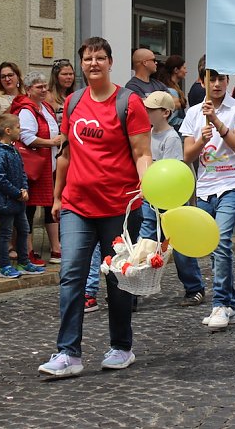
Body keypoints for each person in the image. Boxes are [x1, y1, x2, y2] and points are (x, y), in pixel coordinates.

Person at [39, 36, 152, 378]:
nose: (93, 64)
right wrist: (58, 197)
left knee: (118, 280)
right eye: (87, 58)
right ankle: (68, 353)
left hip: (120, 207)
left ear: (110, 62)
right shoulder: (73, 103)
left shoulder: (128, 102)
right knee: (71, 274)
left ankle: (121, 346)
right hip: (77, 205)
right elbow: (67, 155)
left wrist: (148, 185)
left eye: (100, 58)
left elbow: (142, 153)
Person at [182, 71, 235, 330]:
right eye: (211, 79)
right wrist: (202, 137)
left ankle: (219, 304)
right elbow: (188, 155)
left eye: (221, 79)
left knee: (222, 241)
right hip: (204, 188)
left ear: (228, 82)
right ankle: (232, 305)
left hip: (232, 184)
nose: (216, 84)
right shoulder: (192, 113)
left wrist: (218, 123)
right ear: (202, 81)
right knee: (213, 246)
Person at [138, 91, 206, 306]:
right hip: (151, 199)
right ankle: (132, 291)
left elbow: (171, 172)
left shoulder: (171, 138)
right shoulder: (147, 134)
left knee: (179, 246)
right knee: (145, 244)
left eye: (151, 109)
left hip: (171, 201)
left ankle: (194, 287)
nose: (146, 112)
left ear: (165, 113)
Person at [9, 72, 62, 266]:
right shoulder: (26, 110)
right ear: (29, 89)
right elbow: (27, 137)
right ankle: (27, 252)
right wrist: (51, 142)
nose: (44, 90)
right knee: (29, 210)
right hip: (34, 168)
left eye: (45, 86)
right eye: (39, 87)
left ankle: (56, 250)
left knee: (50, 207)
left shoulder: (45, 107)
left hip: (49, 166)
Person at [0, 113, 44, 278]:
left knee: (24, 229)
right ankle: (3, 265)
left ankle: (24, 261)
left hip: (18, 200)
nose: (21, 130)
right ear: (8, 130)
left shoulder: (13, 150)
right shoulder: (0, 152)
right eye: (18, 127)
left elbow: (22, 173)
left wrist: (24, 189)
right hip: (5, 201)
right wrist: (16, 192)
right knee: (6, 232)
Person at [0, 62, 24, 140]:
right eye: (3, 77)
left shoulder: (26, 96)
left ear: (18, 76)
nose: (7, 79)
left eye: (10, 75)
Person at [157, 54, 189, 127]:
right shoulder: (172, 91)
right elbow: (171, 119)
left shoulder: (170, 88)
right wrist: (188, 122)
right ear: (176, 70)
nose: (186, 71)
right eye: (184, 68)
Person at [46, 58, 76, 126]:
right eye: (64, 74)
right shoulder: (48, 96)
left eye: (71, 74)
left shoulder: (75, 96)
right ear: (56, 77)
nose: (69, 77)